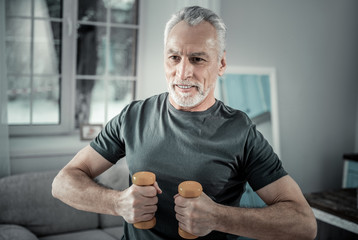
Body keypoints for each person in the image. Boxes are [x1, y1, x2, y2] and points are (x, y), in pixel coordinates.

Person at [52, 6, 317, 240]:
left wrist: (218, 217)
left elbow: (304, 224)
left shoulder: (241, 131)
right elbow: (62, 183)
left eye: (197, 59)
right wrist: (117, 203)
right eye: (174, 57)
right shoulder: (133, 116)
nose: (183, 72)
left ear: (221, 63)